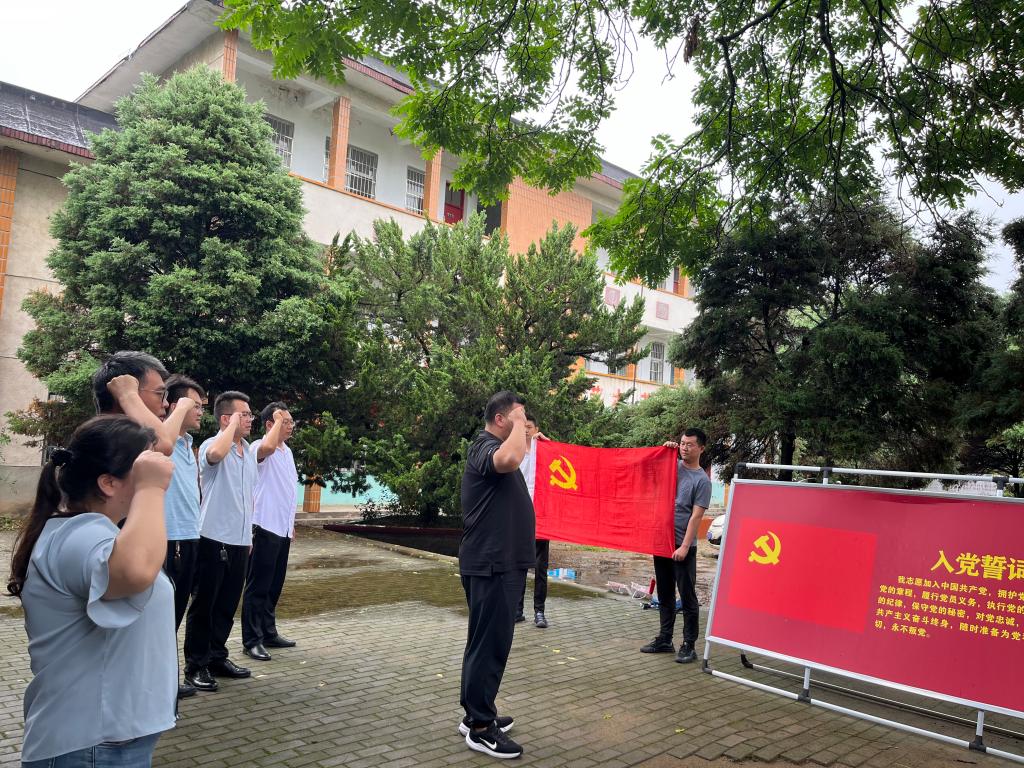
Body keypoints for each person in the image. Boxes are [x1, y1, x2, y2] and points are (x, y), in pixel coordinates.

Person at [7, 416, 177, 767]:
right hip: (92, 746)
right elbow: (135, 571)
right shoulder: (79, 534)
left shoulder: (93, 533)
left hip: (108, 741)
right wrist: (151, 490)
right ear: (108, 483)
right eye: (142, 466)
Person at [458, 391, 536, 759]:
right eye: (519, 417)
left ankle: (476, 712)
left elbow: (518, 455)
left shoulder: (492, 447)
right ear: (501, 419)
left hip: (499, 563)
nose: (525, 424)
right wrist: (520, 426)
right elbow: (510, 458)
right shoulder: (485, 446)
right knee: (489, 645)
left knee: (485, 643)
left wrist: (524, 430)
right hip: (492, 564)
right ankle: (480, 727)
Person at [183, 391, 262, 692]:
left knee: (227, 605)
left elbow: (248, 497)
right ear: (227, 418)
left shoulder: (248, 452)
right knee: (205, 605)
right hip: (212, 539)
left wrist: (249, 534)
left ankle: (217, 656)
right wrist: (230, 428)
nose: (250, 419)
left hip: (240, 540)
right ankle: (196, 665)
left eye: (250, 414)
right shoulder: (211, 445)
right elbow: (215, 455)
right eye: (245, 415)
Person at [640, 428, 712, 664]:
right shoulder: (671, 467)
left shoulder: (702, 481)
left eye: (690, 445)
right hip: (663, 541)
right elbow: (646, 472)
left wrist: (685, 546)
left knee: (687, 596)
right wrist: (664, 452)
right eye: (682, 443)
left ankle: (689, 645)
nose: (684, 448)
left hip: (682, 546)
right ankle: (665, 639)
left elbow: (696, 517)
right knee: (665, 593)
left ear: (701, 448)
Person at [160, 374, 206, 699]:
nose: (201, 411)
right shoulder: (161, 441)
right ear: (176, 405)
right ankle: (158, 685)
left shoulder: (188, 445)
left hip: (190, 538)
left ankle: (165, 680)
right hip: (168, 540)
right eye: (195, 405)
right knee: (162, 619)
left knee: (175, 615)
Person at [241, 402, 297, 662]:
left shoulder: (287, 452)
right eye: (285, 422)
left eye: (291, 421)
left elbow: (288, 490)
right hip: (264, 526)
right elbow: (267, 448)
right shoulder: (259, 447)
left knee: (274, 584)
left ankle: (268, 632)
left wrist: (291, 523)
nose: (291, 426)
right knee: (258, 586)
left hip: (282, 528)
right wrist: (276, 417)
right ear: (269, 425)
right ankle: (252, 640)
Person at [91, 351, 194, 456]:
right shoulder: (100, 441)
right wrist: (128, 395)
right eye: (159, 393)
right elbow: (164, 444)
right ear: (124, 391)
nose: (166, 404)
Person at [514, 414, 551, 628]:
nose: (526, 430)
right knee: (519, 564)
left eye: (529, 426)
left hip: (542, 516)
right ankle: (517, 610)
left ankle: (539, 611)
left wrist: (547, 442)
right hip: (520, 515)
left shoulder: (543, 449)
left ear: (536, 429)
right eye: (523, 426)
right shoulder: (515, 449)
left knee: (540, 567)